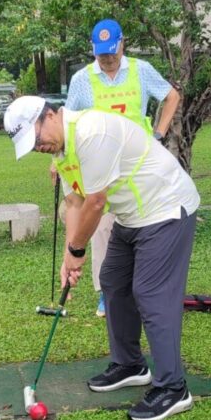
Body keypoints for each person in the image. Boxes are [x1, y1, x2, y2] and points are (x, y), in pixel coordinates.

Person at [6, 95, 200, 420]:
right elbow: (74, 203)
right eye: (30, 145)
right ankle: (131, 365)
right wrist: (70, 257)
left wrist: (77, 251)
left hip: (166, 208)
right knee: (113, 281)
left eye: (36, 138)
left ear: (50, 115)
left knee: (151, 294)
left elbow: (96, 203)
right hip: (133, 216)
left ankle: (173, 388)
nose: (37, 147)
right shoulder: (62, 151)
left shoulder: (91, 133)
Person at [55, 18, 181, 317]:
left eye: (111, 53)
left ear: (122, 44)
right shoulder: (82, 79)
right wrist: (56, 160)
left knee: (140, 225)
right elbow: (66, 122)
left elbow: (172, 96)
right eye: (101, 54)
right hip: (99, 164)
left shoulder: (140, 70)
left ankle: (141, 290)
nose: (107, 59)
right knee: (100, 226)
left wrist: (159, 134)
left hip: (138, 164)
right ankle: (107, 293)